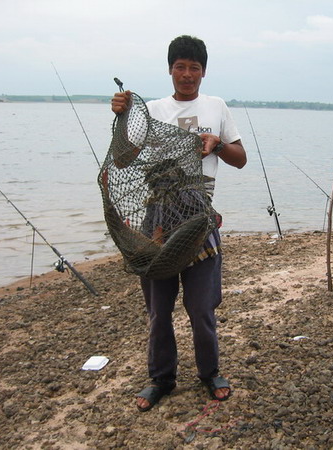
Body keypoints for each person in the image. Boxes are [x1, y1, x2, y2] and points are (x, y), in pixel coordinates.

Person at [111, 35, 247, 412]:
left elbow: (240, 158)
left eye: (194, 68)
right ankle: (161, 378)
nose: (187, 75)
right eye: (180, 67)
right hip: (157, 220)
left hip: (199, 217)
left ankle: (210, 373)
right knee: (158, 309)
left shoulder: (216, 106)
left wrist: (216, 143)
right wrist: (122, 117)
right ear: (170, 69)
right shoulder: (151, 109)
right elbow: (123, 160)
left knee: (201, 307)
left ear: (204, 72)